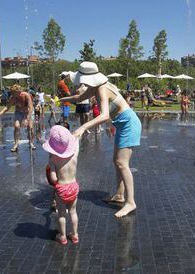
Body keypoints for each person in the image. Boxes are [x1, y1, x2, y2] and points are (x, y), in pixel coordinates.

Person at [61, 61, 141, 218]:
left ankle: (130, 202)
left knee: (122, 163)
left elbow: (104, 115)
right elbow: (79, 97)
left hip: (129, 124)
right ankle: (119, 195)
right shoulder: (95, 87)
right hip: (123, 124)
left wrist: (83, 128)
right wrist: (63, 100)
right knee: (117, 161)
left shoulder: (102, 89)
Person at [43, 125, 80, 245]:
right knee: (73, 212)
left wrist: (56, 179)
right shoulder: (74, 154)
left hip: (62, 189)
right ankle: (75, 235)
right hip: (74, 187)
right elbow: (76, 144)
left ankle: (63, 236)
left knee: (62, 214)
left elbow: (53, 178)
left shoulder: (53, 160)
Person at [0, 84, 35, 152]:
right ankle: (16, 144)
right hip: (18, 112)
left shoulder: (26, 95)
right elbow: (7, 107)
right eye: (12, 93)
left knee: (30, 128)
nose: (12, 94)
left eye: (13, 93)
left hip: (28, 112)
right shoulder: (13, 98)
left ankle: (31, 143)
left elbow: (31, 108)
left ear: (18, 92)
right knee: (16, 126)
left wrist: (27, 118)